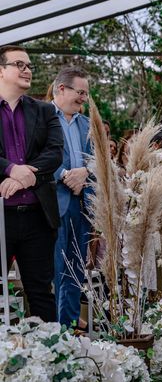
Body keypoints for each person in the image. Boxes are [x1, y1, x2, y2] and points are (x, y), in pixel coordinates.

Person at [0, 45, 63, 322]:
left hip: (38, 216)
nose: (27, 70)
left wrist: (27, 175)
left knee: (40, 292)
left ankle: (51, 359)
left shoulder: (45, 110)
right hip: (1, 216)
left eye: (29, 65)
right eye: (19, 64)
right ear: (1, 71)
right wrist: (11, 169)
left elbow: (55, 151)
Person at [51, 67, 93, 328]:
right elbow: (33, 156)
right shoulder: (42, 117)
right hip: (54, 203)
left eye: (86, 94)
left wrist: (85, 172)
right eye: (80, 92)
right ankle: (53, 332)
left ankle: (69, 329)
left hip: (82, 204)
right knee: (56, 271)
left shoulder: (87, 124)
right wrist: (66, 174)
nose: (83, 99)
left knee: (76, 271)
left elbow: (99, 160)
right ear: (61, 88)